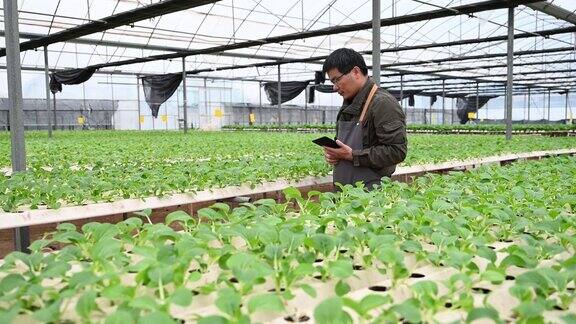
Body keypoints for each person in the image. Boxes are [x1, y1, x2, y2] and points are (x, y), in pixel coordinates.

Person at [322, 48, 407, 190]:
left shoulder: (382, 103)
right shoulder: (349, 103)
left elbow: (397, 151)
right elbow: (343, 143)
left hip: (370, 199)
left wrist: (353, 155)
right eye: (332, 82)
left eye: (337, 80)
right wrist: (336, 154)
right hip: (345, 194)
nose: (335, 87)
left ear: (355, 72)